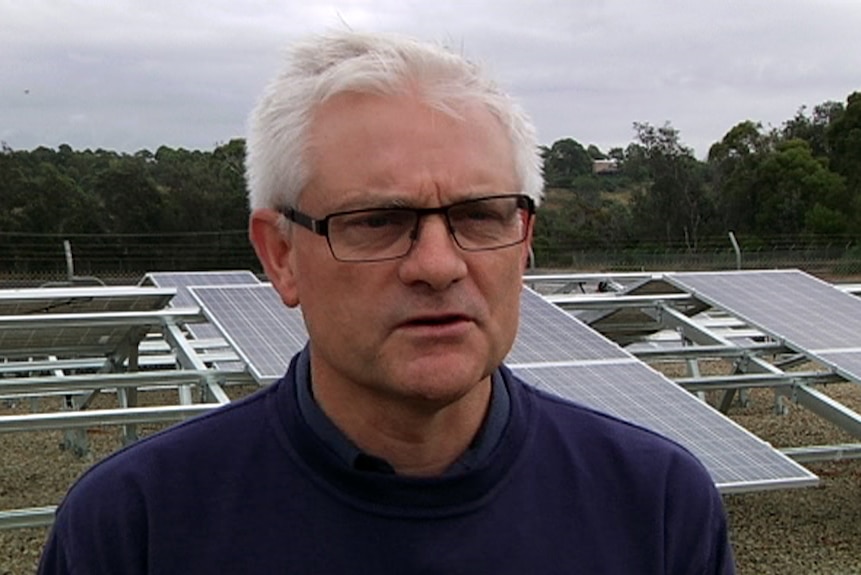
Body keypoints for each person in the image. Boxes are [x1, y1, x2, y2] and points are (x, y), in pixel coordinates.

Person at [39, 31, 735, 574]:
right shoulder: (138, 527)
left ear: (525, 240)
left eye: (481, 215)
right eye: (375, 220)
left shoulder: (655, 504)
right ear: (280, 255)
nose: (437, 264)